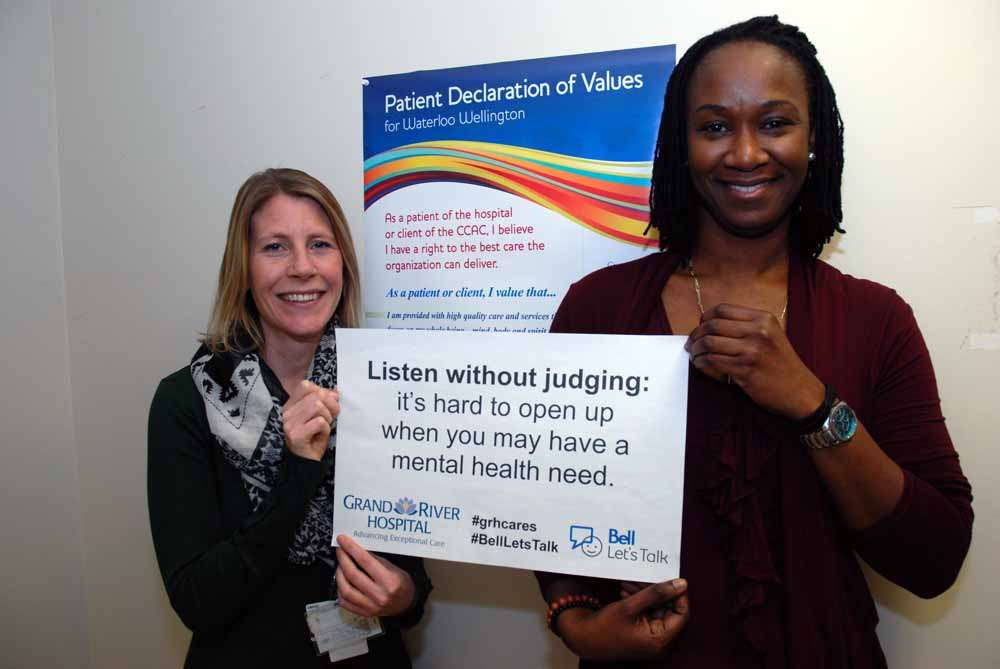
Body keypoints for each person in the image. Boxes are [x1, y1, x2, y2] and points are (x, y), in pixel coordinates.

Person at [536, 16, 972, 669]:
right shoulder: (598, 306)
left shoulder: (877, 318)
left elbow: (934, 555)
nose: (745, 153)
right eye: (714, 127)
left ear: (814, 136)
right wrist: (579, 626)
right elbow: (544, 500)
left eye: (774, 122)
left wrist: (815, 406)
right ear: (680, 146)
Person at [148, 168, 431, 667]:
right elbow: (197, 600)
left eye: (320, 244)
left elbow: (412, 577)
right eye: (276, 247)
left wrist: (402, 594)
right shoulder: (185, 402)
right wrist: (297, 467)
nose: (303, 268)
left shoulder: (379, 386)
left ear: (342, 262)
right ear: (243, 268)